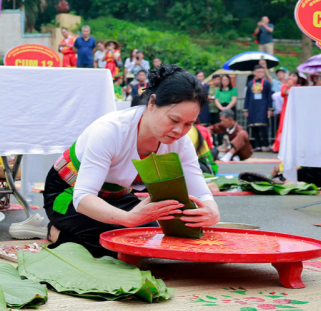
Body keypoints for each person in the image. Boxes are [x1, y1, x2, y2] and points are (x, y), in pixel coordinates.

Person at [42, 65, 220, 258]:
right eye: (173, 120)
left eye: (188, 124)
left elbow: (201, 192)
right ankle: (55, 230)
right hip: (68, 193)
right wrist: (129, 218)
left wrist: (211, 211)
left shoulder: (181, 143)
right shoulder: (110, 131)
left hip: (117, 195)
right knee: (113, 247)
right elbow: (83, 197)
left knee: (149, 241)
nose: (179, 131)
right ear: (152, 103)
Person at [245, 65, 274, 151]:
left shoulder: (266, 83)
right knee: (254, 127)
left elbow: (269, 96)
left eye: (262, 72)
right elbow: (247, 97)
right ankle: (257, 145)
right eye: (258, 72)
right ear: (254, 72)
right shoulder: (250, 83)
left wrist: (270, 108)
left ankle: (265, 145)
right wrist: (246, 109)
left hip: (263, 107)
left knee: (263, 126)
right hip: (252, 107)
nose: (260, 73)